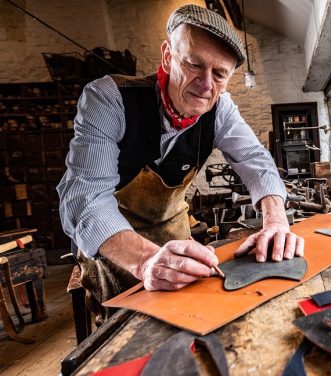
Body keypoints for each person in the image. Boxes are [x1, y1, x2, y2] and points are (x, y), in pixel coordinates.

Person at [57, 4, 304, 324]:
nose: (206, 85)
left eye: (219, 74)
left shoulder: (221, 110)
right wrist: (146, 261)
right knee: (130, 330)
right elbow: (83, 199)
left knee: (192, 322)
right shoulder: (110, 98)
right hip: (116, 248)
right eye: (193, 64)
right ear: (167, 56)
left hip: (175, 235)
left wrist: (275, 220)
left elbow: (255, 160)